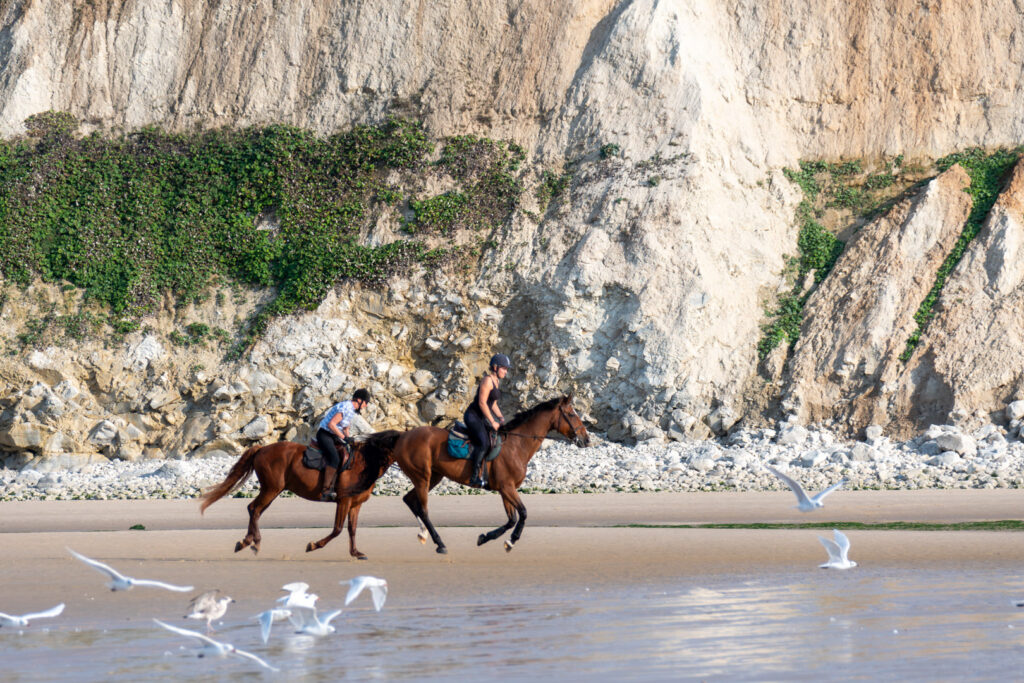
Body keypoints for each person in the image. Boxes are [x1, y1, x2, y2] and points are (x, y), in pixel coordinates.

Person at [315, 388, 371, 501]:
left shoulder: (351, 410)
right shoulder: (346, 407)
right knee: (334, 458)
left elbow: (345, 428)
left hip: (334, 435)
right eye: (366, 403)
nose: (366, 406)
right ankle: (325, 490)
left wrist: (348, 438)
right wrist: (343, 437)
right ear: (359, 400)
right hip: (325, 435)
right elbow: (331, 425)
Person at [464, 353, 509, 488]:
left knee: (493, 440)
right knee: (483, 443)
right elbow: (482, 403)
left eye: (506, 369)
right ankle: (474, 477)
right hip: (473, 416)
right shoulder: (487, 381)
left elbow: (493, 404)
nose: (506, 372)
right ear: (495, 367)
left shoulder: (496, 382)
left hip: (482, 417)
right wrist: (493, 422)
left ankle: (487, 473)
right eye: (504, 368)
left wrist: (501, 418)